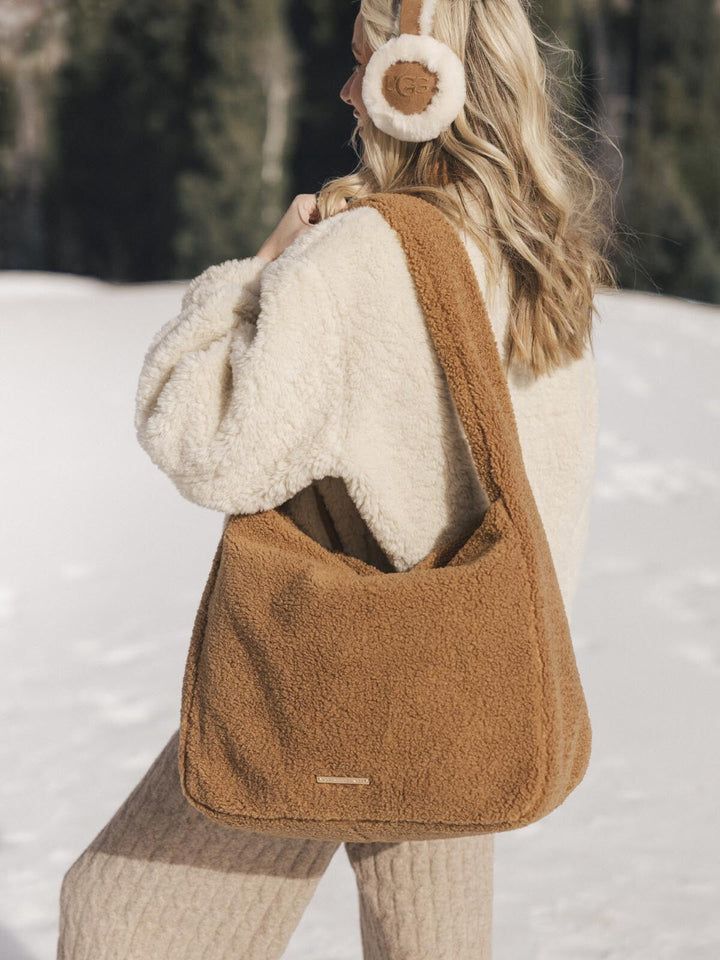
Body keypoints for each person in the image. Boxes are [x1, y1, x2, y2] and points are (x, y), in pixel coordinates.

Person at [56, 1, 616, 957]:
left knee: (118, 921)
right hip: (465, 676)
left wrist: (259, 271)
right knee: (430, 945)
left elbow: (202, 440)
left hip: (339, 670)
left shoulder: (360, 256)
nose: (345, 88)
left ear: (418, 87)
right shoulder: (534, 254)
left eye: (364, 66)